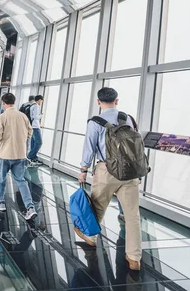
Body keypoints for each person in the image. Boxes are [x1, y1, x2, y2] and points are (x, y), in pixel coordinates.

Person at [76, 87, 142, 271]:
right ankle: (134, 257)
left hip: (106, 170)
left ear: (98, 102)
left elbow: (89, 147)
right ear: (117, 101)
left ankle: (90, 237)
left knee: (97, 205)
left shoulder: (95, 122)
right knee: (132, 216)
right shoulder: (127, 118)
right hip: (130, 172)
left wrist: (83, 169)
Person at [0, 93, 37, 221]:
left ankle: (0, 203)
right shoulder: (23, 117)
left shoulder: (1, 118)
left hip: (5, 154)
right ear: (14, 102)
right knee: (21, 181)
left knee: (1, 179)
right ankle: (30, 208)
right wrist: (22, 140)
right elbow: (30, 132)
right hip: (20, 154)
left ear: (4, 103)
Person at [27, 95, 44, 167]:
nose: (41, 103)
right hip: (35, 127)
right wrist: (41, 115)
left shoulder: (32, 106)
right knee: (39, 142)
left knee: (33, 143)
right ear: (39, 100)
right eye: (41, 101)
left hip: (32, 126)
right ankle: (30, 156)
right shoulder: (37, 106)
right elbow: (35, 117)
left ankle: (34, 158)